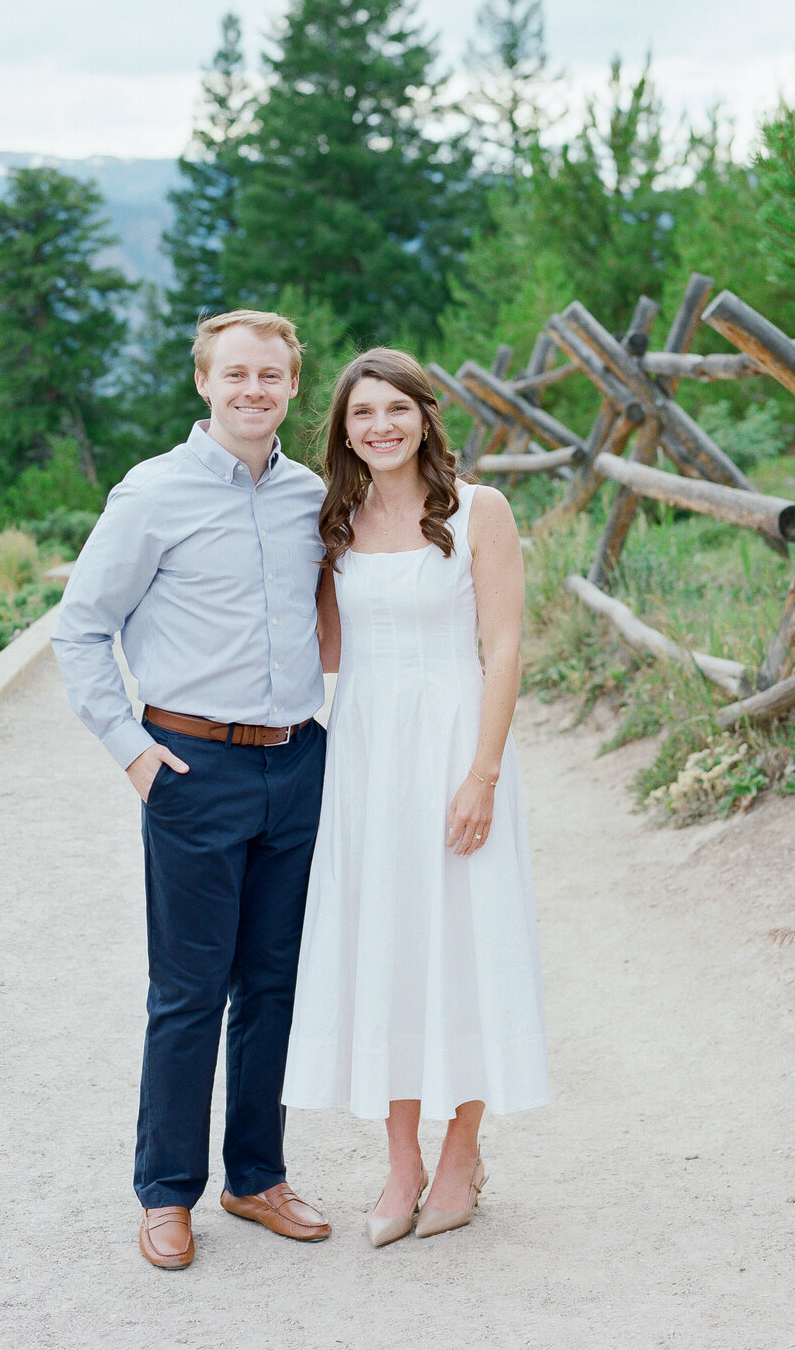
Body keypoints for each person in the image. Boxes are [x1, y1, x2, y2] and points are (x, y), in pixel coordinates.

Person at [51, 309, 332, 1271]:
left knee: (274, 985)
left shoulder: (310, 498)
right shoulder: (152, 495)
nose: (254, 391)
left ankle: (256, 1178)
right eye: (236, 375)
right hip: (191, 767)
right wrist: (130, 748)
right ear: (204, 384)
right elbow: (80, 627)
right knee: (187, 990)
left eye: (272, 377)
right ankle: (166, 1194)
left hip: (298, 766)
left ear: (294, 387)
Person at [282, 347, 548, 1246]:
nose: (381, 426)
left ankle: (463, 1150)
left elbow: (503, 649)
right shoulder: (335, 522)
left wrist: (482, 774)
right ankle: (401, 1163)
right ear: (343, 431)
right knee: (385, 947)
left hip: (452, 749)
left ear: (427, 417)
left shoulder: (481, 511)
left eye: (396, 408)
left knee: (464, 943)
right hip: (364, 757)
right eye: (362, 414)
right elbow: (320, 646)